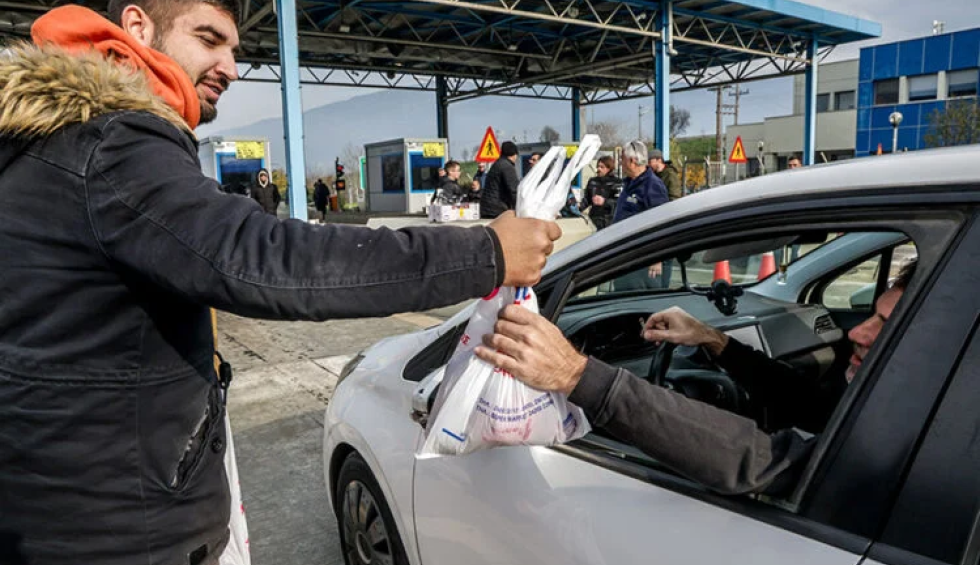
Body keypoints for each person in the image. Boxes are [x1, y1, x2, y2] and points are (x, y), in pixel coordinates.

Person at [0, 2, 562, 563]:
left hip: (68, 506)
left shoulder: (51, 142)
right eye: (208, 38)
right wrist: (486, 252)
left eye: (235, 49)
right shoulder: (113, 144)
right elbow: (264, 257)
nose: (231, 66)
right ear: (137, 27)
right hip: (119, 535)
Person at [475, 260, 916, 496]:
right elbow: (812, 406)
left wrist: (576, 374)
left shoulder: (907, 440)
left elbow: (759, 462)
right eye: (870, 315)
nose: (858, 332)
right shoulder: (914, 400)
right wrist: (711, 340)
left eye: (886, 325)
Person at [613, 141, 670, 290]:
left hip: (643, 261)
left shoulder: (652, 186)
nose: (620, 162)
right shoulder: (629, 184)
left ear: (632, 161)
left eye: (622, 159)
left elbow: (662, 222)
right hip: (625, 257)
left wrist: (657, 257)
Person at [480, 140, 521, 218]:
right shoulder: (507, 167)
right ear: (514, 154)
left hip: (488, 208)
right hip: (497, 210)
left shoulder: (497, 164)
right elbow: (514, 190)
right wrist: (520, 209)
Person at [582, 156, 621, 230]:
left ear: (609, 168)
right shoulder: (593, 181)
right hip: (594, 220)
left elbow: (619, 203)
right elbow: (586, 200)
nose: (598, 169)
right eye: (598, 166)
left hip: (610, 221)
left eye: (602, 167)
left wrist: (604, 202)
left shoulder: (617, 182)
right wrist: (576, 208)